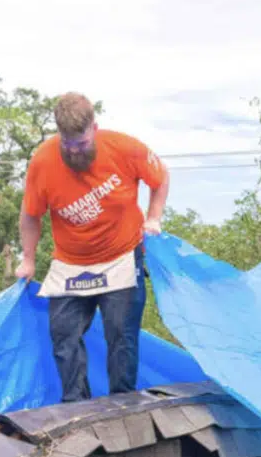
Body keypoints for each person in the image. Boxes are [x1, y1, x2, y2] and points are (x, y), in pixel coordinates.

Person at [19, 93, 169, 402]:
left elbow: (160, 178)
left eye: (82, 144)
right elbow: (31, 215)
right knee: (63, 336)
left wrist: (154, 217)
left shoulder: (125, 148)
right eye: (68, 145)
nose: (75, 152)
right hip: (71, 263)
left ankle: (122, 404)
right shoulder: (43, 161)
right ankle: (76, 408)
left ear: (94, 128)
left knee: (120, 336)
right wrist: (28, 260)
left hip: (121, 258)